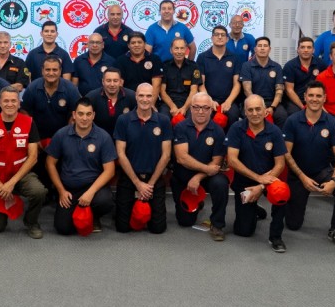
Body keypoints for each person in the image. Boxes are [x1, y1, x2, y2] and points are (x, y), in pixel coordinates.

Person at [281, 81, 335, 248]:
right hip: (298, 174)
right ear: (305, 97)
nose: (314, 99)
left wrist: (334, 181)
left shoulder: (331, 123)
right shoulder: (292, 121)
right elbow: (286, 154)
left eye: (318, 96)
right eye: (311, 95)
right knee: (293, 225)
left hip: (322, 171)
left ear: (324, 98)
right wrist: (302, 177)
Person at [0, 87, 47, 238]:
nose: (9, 104)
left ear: (19, 103)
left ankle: (31, 222)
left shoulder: (29, 122)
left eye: (13, 101)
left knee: (39, 191)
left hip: (21, 175)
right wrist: (0, 186)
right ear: (0, 103)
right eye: (6, 101)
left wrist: (12, 183)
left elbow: (33, 157)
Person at [225, 95, 288, 252]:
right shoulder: (236, 128)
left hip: (269, 181)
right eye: (250, 110)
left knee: (282, 194)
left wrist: (261, 185)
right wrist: (257, 178)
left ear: (266, 111)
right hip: (245, 182)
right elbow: (232, 160)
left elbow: (280, 164)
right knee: (243, 231)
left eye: (258, 109)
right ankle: (255, 209)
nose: (254, 113)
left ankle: (276, 237)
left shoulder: (275, 132)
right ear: (245, 112)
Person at [46, 99, 117, 235]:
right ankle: (80, 213)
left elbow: (110, 170)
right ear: (74, 114)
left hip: (94, 188)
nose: (84, 118)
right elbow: (50, 163)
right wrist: (61, 190)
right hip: (69, 189)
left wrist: (90, 192)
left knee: (105, 201)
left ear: (93, 115)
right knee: (63, 229)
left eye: (88, 114)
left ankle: (94, 216)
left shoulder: (103, 137)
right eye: (81, 114)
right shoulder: (61, 134)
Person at [113, 83, 172, 234]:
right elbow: (121, 154)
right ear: (135, 97)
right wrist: (138, 184)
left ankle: (143, 203)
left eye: (149, 96)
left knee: (158, 229)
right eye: (141, 95)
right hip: (130, 178)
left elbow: (166, 155)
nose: (145, 99)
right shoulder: (123, 120)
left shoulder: (164, 121)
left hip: (154, 179)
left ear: (154, 98)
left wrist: (149, 185)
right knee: (122, 228)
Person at [171, 93, 229, 240]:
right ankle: (198, 203)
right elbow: (181, 158)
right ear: (191, 108)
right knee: (185, 221)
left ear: (211, 109)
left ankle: (217, 224)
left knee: (221, 182)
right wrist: (206, 169)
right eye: (196, 107)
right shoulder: (180, 127)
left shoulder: (218, 131)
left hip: (206, 177)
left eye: (205, 108)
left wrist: (198, 177)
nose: (201, 111)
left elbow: (216, 162)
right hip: (183, 176)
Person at [20, 56, 81, 145]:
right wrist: (34, 138)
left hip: (64, 139)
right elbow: (24, 112)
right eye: (48, 70)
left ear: (60, 71)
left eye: (55, 70)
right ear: (42, 71)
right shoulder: (32, 88)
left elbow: (75, 115)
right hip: (37, 138)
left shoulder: (71, 89)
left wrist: (67, 139)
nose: (51, 73)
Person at [196, 25, 242, 126]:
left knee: (233, 115)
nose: (220, 37)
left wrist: (229, 101)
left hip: (229, 100)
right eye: (216, 35)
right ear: (212, 38)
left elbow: (237, 84)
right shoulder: (202, 57)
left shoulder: (235, 58)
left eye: (222, 35)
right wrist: (209, 100)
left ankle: (229, 141)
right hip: (208, 99)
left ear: (227, 39)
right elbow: (200, 83)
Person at [239, 37, 287, 125]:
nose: (262, 48)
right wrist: (260, 107)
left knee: (282, 115)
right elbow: (247, 90)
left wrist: (272, 107)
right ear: (255, 49)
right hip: (252, 102)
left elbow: (279, 90)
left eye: (265, 46)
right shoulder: (246, 66)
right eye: (259, 46)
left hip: (272, 103)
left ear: (269, 49)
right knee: (249, 115)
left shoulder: (277, 67)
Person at [281, 36, 328, 115]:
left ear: (313, 50)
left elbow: (325, 85)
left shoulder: (321, 64)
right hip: (295, 101)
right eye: (302, 47)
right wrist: (303, 107)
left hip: (314, 99)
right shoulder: (290, 66)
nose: (306, 50)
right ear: (298, 50)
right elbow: (289, 90)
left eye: (309, 47)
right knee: (295, 115)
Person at [86, 67, 136, 137]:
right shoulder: (91, 97)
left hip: (125, 138)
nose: (112, 84)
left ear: (120, 82)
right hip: (98, 139)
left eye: (115, 81)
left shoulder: (132, 96)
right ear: (103, 81)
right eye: (108, 81)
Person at [160, 37, 202, 119]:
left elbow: (194, 90)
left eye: (182, 48)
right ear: (171, 50)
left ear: (186, 50)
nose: (179, 52)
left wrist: (185, 108)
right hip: (168, 103)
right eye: (176, 48)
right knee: (163, 118)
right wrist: (172, 106)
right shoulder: (164, 66)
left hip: (188, 103)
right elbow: (162, 91)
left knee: (192, 118)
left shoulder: (193, 66)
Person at [72, 33, 115, 97]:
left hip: (104, 101)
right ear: (87, 44)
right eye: (92, 42)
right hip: (83, 101)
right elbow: (74, 85)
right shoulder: (79, 60)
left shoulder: (111, 62)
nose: (95, 45)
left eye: (98, 43)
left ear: (103, 45)